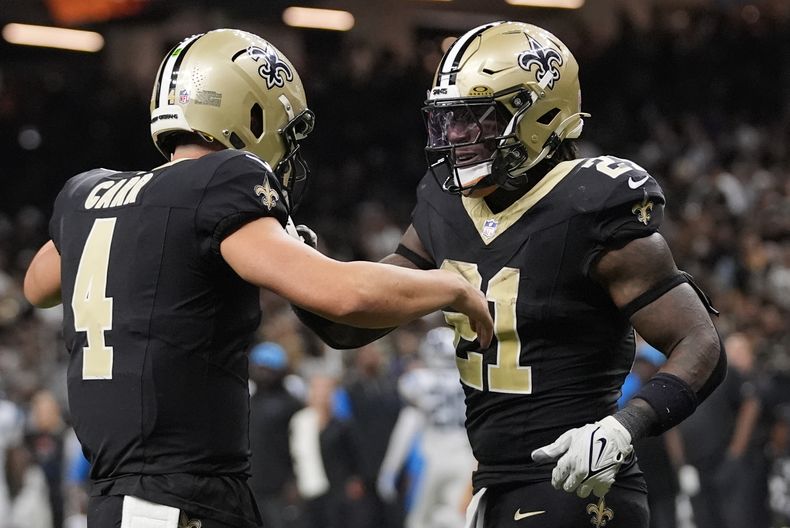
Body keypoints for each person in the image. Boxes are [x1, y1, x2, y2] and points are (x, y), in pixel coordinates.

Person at [21, 28, 493, 528]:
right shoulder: (220, 182)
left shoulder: (88, 195)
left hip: (132, 496)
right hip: (176, 501)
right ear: (248, 114)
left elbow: (37, 285)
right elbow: (344, 293)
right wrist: (452, 286)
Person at [294, 21, 726, 527]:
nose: (456, 137)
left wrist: (625, 426)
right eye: (449, 121)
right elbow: (352, 324)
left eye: (476, 119)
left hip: (577, 484)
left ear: (539, 114)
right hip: (494, 484)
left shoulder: (591, 203)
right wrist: (303, 272)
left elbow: (700, 343)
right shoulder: (443, 206)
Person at [377, 326, 476, 528]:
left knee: (418, 520)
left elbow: (408, 425)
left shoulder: (417, 381)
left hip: (431, 457)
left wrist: (390, 469)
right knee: (457, 519)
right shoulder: (469, 381)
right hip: (463, 456)